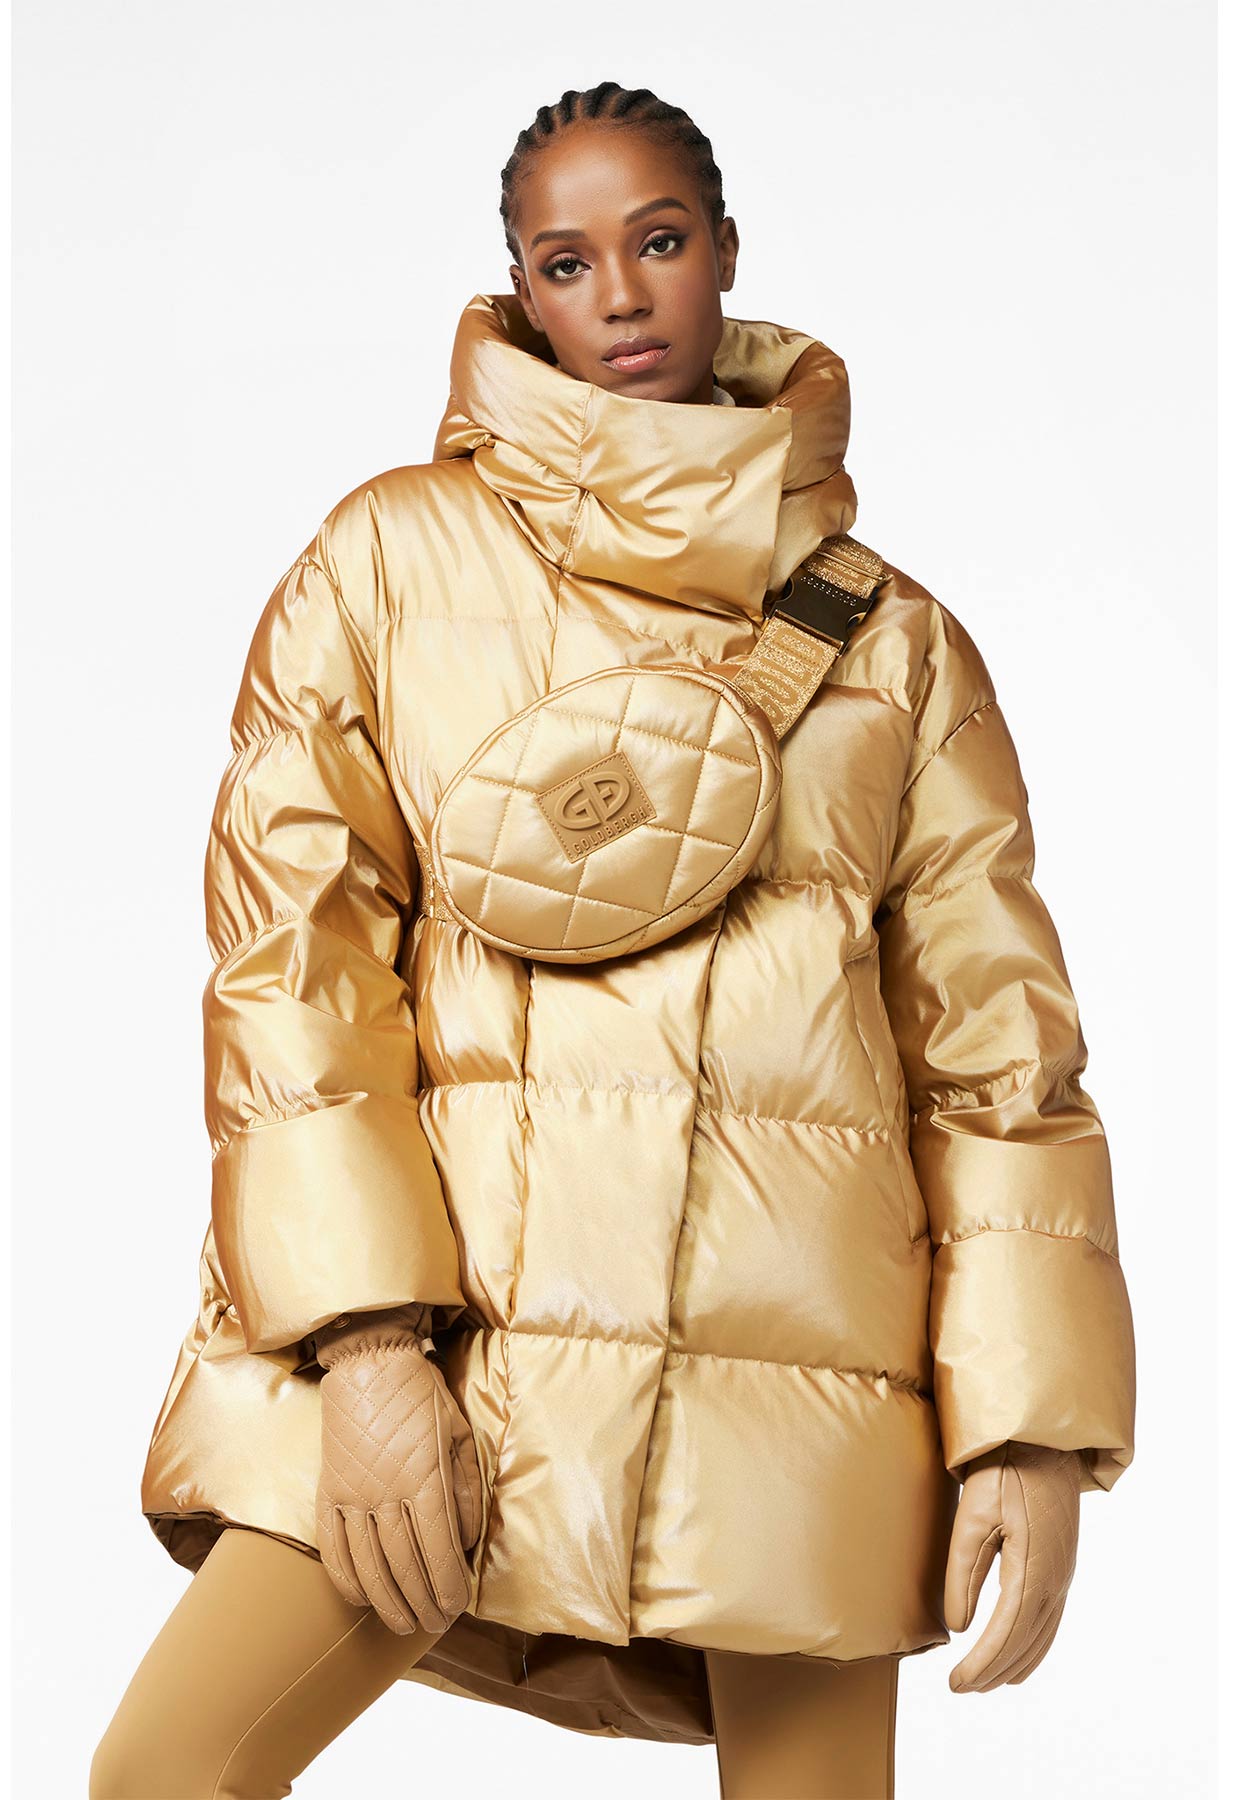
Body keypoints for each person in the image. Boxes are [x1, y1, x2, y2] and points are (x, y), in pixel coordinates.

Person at [90, 80, 1137, 1800]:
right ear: (517, 288)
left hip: (801, 1377)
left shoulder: (895, 648)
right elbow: (293, 970)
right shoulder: (385, 564)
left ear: (724, 252)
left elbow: (997, 1062)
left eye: (658, 242)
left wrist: (1026, 1427)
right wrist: (366, 1346)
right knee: (166, 1774)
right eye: (566, 262)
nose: (623, 295)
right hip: (460, 1345)